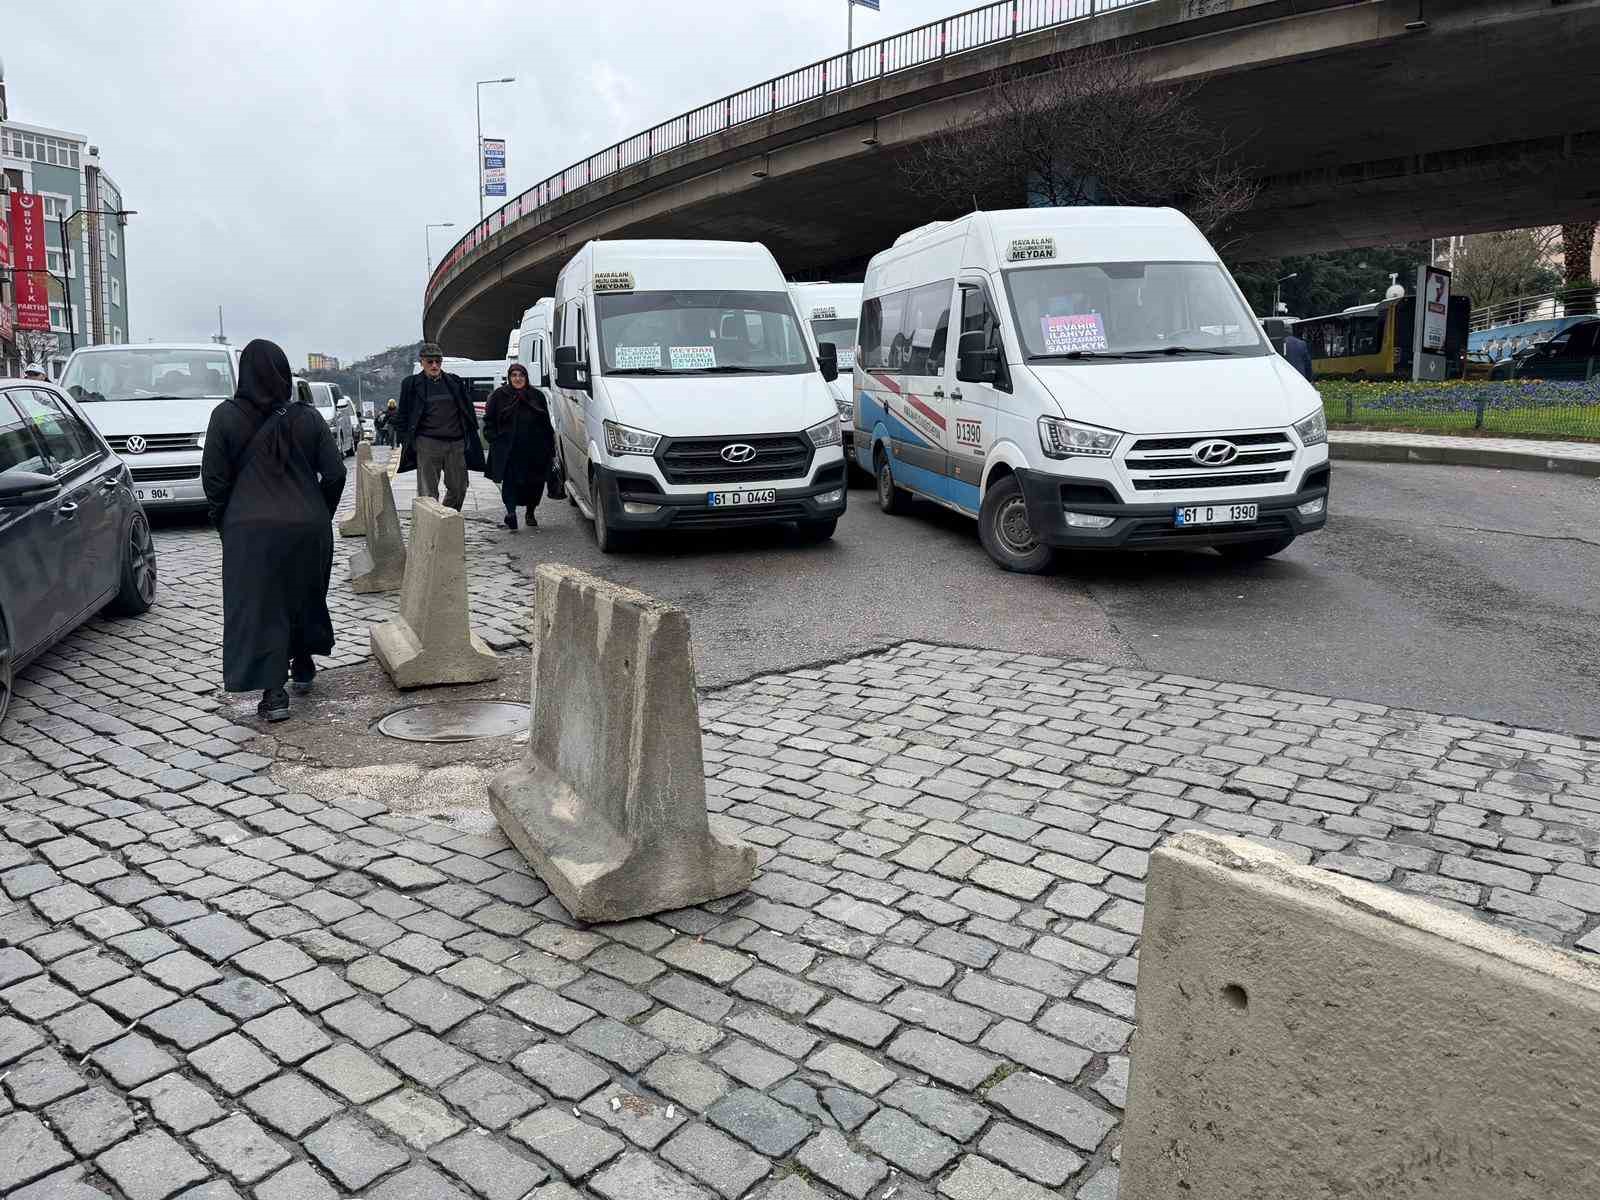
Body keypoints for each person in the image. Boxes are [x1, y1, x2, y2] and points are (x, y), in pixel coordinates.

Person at [201, 339, 346, 723]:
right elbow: (335, 473)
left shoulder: (225, 417)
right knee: (304, 596)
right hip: (307, 528)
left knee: (261, 607)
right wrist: (320, 513)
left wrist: (227, 523)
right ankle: (303, 661)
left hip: (250, 531)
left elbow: (213, 481)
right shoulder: (308, 418)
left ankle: (274, 693)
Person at [395, 343, 484, 509]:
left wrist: (470, 435)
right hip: (427, 443)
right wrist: (405, 439)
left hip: (456, 443)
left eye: (438, 361)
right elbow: (403, 414)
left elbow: (467, 409)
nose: (434, 365)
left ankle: (447, 517)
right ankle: (432, 521)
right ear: (422, 362)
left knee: (459, 488)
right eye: (430, 362)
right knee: (428, 493)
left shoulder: (454, 381)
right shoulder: (411, 384)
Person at [482, 362, 555, 531]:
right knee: (510, 483)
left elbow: (545, 423)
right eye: (514, 375)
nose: (517, 379)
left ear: (526, 377)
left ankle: (530, 512)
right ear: (509, 377)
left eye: (521, 375)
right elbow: (489, 420)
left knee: (534, 484)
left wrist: (550, 447)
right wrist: (494, 438)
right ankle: (511, 514)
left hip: (535, 450)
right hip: (509, 451)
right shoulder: (499, 396)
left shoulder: (536, 396)